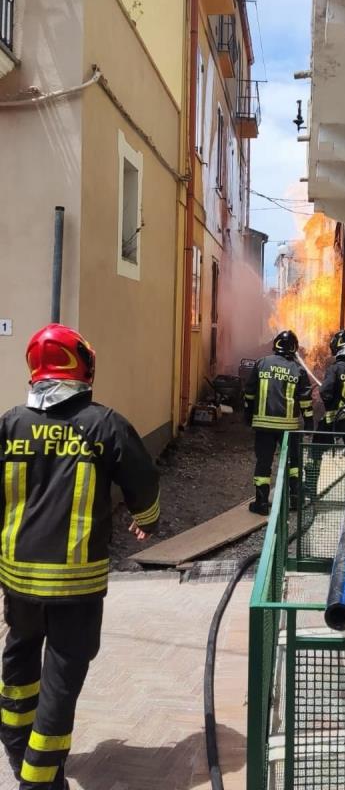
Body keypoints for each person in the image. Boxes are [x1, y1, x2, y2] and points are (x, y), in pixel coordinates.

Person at [0, 324, 160, 790]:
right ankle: (39, 779)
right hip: (75, 583)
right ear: (83, 367)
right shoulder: (103, 423)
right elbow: (143, 482)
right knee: (61, 678)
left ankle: (15, 742)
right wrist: (146, 520)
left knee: (21, 658)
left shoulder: (10, 422)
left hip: (18, 579)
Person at [244, 330, 314, 515]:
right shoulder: (298, 369)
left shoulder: (262, 363)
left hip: (264, 425)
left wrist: (247, 415)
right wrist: (309, 422)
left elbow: (249, 393)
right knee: (294, 463)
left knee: (263, 463)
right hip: (289, 428)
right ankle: (295, 500)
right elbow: (306, 400)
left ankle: (261, 503)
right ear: (294, 348)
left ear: (275, 345)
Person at [306, 329, 345, 498]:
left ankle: (309, 489)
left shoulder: (334, 369)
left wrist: (327, 399)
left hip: (334, 420)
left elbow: (326, 392)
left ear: (337, 347)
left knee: (315, 451)